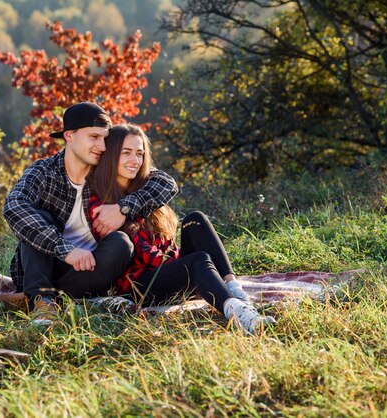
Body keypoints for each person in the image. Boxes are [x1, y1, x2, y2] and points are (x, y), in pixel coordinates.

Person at [0, 103, 178, 324]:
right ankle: (42, 301)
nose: (101, 146)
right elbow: (14, 206)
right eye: (94, 137)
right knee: (38, 217)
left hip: (93, 271)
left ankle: (34, 300)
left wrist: (122, 208)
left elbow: (165, 182)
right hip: (47, 265)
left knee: (122, 244)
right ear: (69, 135)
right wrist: (65, 249)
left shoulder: (104, 168)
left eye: (104, 139)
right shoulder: (44, 172)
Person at [87, 124, 275, 334]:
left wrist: (181, 265)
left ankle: (235, 292)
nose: (135, 161)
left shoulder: (144, 191)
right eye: (126, 153)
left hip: (164, 271)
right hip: (138, 286)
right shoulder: (102, 205)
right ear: (111, 155)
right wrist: (186, 266)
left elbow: (168, 190)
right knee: (198, 261)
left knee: (195, 220)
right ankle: (238, 314)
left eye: (139, 154)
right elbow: (144, 254)